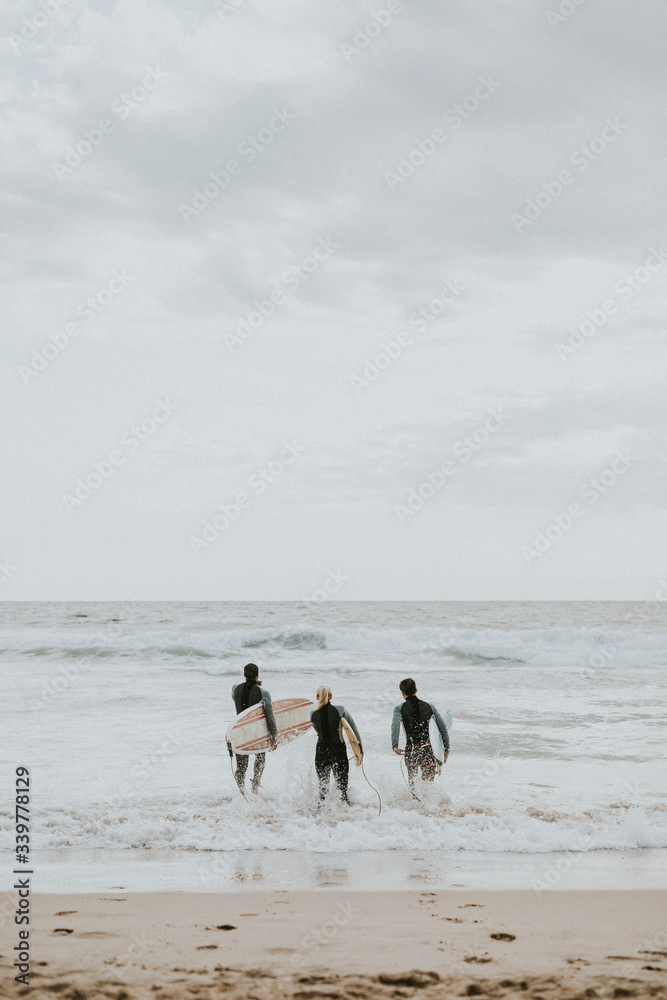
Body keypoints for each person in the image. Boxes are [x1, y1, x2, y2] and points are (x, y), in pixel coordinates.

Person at [391, 677, 450, 789]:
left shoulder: (399, 708)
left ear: (402, 693)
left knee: (413, 784)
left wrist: (395, 746)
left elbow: (395, 726)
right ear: (416, 690)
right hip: (428, 750)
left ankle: (415, 804)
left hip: (412, 750)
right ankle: (429, 806)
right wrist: (446, 749)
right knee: (428, 785)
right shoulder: (430, 706)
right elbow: (443, 728)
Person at [310, 685, 363, 805]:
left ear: (317, 697)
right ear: (331, 696)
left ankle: (320, 820)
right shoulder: (340, 710)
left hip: (321, 752)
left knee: (323, 793)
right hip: (338, 751)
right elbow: (354, 731)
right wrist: (360, 751)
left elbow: (318, 731)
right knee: (342, 792)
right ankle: (344, 818)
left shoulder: (312, 714)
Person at [229, 663, 277, 794]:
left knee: (241, 766)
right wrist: (274, 736)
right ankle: (255, 786)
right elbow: (270, 716)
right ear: (257, 675)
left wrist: (253, 684)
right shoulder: (263, 693)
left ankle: (241, 788)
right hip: (257, 733)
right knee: (260, 758)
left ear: (244, 675)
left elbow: (238, 695)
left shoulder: (235, 689)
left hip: (239, 731)